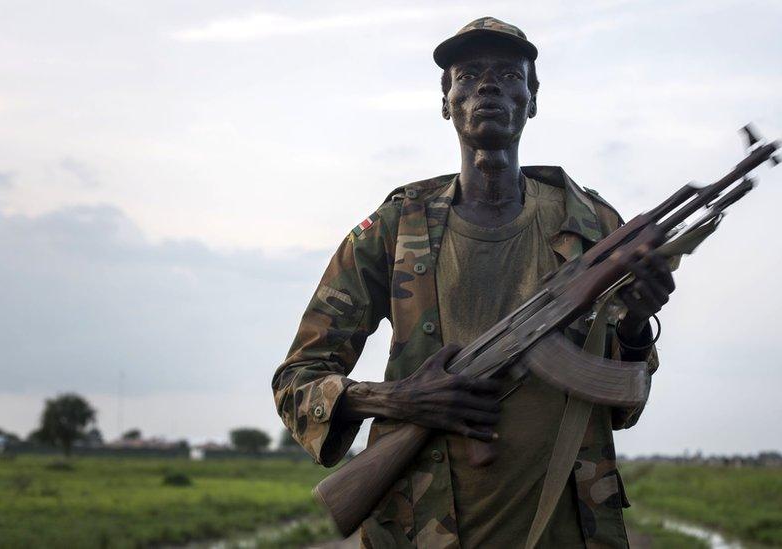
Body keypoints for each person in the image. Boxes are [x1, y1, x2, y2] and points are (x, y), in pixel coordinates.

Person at [272, 17, 676, 548]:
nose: (488, 85)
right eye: (469, 75)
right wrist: (399, 400)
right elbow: (297, 380)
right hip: (421, 529)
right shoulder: (397, 226)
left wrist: (637, 329)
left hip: (566, 526)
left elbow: (625, 405)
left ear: (532, 100)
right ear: (446, 100)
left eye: (509, 74)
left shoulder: (593, 226)